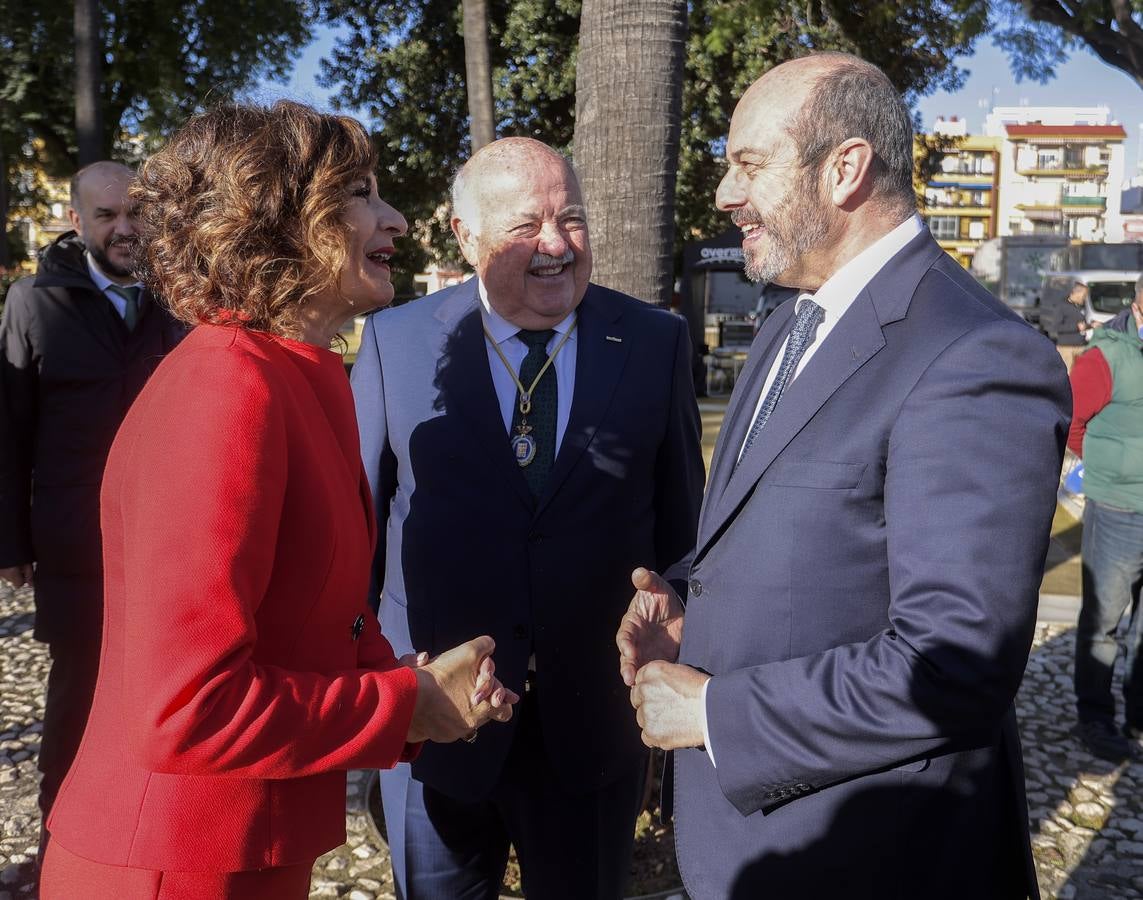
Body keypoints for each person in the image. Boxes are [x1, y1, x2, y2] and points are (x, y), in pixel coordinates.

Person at [39, 101, 517, 900]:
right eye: (360, 192)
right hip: (178, 861)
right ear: (275, 219)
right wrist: (400, 706)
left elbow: (298, 620)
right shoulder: (228, 387)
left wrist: (410, 684)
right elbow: (188, 706)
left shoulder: (287, 373)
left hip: (236, 846)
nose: (393, 219)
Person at [620, 53, 1070, 899]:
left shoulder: (976, 357)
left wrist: (713, 714)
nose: (722, 192)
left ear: (845, 169)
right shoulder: (794, 317)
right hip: (753, 843)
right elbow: (807, 539)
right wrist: (687, 605)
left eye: (747, 164)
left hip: (869, 857)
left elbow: (951, 667)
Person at [351, 136, 704, 900]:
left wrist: (676, 634)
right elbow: (361, 528)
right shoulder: (395, 342)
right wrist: (376, 682)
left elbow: (683, 533)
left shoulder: (653, 341)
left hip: (593, 726)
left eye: (570, 219)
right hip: (439, 716)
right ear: (462, 233)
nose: (554, 245)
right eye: (524, 226)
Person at [0, 161, 185, 847]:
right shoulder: (34, 301)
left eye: (136, 212)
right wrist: (12, 541)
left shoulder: (182, 300)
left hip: (172, 547)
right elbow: (9, 429)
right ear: (77, 223)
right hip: (77, 545)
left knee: (166, 699)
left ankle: (145, 844)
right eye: (106, 216)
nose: (126, 228)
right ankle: (62, 852)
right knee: (76, 706)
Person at [1068, 277, 1143, 762]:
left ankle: (1138, 718)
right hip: (1118, 510)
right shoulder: (1106, 356)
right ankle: (1095, 720)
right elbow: (1070, 419)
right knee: (1103, 622)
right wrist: (1101, 470)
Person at [1050, 280, 1093, 371]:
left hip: (1081, 346)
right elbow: (1055, 327)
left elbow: (1081, 326)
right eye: (1084, 295)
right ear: (1076, 293)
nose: (1085, 298)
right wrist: (1076, 327)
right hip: (1066, 348)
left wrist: (1091, 325)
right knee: (1068, 376)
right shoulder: (1061, 306)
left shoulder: (1080, 306)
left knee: (1081, 375)